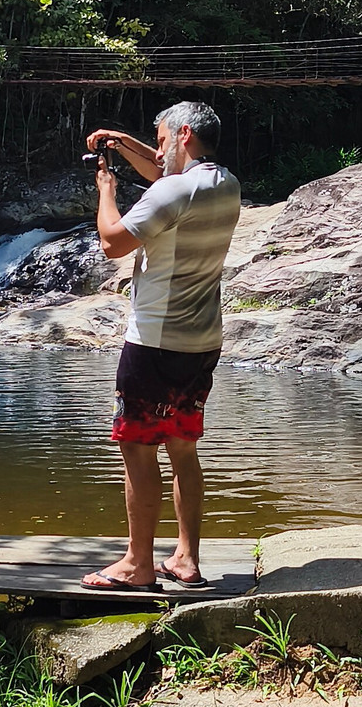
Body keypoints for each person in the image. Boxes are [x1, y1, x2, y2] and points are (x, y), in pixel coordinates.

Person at [80, 101, 241, 592]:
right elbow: (166, 169)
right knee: (183, 450)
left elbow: (112, 242)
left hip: (153, 345)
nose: (157, 147)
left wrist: (106, 192)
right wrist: (125, 142)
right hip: (202, 344)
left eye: (161, 137)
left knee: (137, 450)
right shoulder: (225, 183)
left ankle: (136, 565)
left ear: (183, 133)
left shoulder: (171, 191)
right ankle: (187, 561)